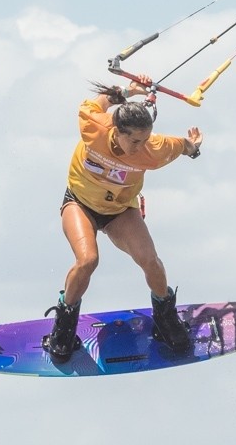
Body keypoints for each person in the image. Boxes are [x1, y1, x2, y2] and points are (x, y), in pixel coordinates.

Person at [43, 74, 204, 361]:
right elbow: (101, 101)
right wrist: (129, 89)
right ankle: (64, 326)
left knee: (151, 262)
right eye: (135, 141)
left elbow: (183, 146)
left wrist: (194, 145)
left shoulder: (153, 150)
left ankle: (165, 321)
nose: (141, 147)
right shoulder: (94, 126)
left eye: (145, 139)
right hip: (80, 203)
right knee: (88, 260)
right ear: (116, 131)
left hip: (120, 211)